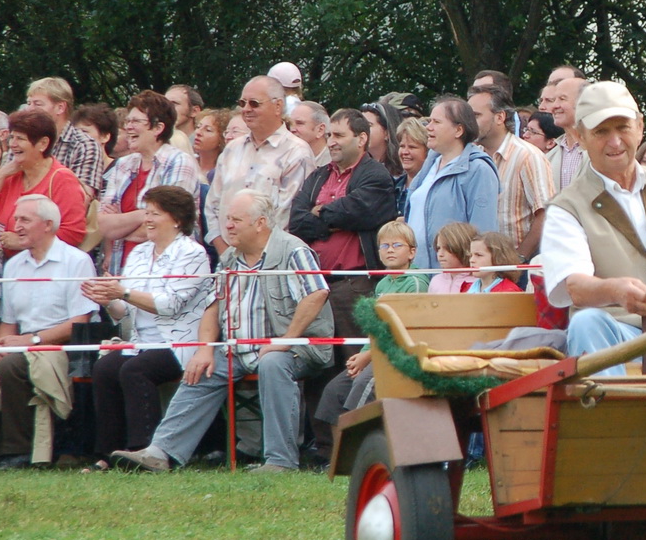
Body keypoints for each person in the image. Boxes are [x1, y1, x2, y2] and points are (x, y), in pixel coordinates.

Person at [114, 190, 334, 472]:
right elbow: (213, 307)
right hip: (238, 349)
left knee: (273, 363)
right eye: (226, 219)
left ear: (260, 223)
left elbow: (316, 293)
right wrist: (204, 349)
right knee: (201, 367)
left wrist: (286, 339)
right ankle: (160, 452)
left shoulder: (293, 250)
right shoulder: (229, 258)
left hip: (296, 348)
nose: (227, 226)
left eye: (235, 220)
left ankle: (281, 461)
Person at [538, 80, 646, 365]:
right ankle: (611, 408)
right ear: (581, 137)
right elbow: (575, 287)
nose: (615, 142)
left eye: (622, 127)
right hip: (624, 334)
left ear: (640, 127)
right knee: (586, 323)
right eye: (601, 131)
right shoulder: (566, 208)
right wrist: (615, 291)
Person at [80, 185, 213, 471]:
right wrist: (105, 298)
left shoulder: (193, 253)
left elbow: (170, 304)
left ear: (177, 219)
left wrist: (121, 293)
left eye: (154, 213)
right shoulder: (139, 254)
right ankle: (106, 454)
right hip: (141, 341)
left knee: (135, 369)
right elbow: (123, 311)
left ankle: (144, 451)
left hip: (179, 344)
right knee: (104, 369)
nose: (147, 219)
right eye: (146, 212)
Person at [0, 195, 95, 468]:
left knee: (14, 363)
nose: (17, 225)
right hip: (24, 342)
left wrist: (29, 341)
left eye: (25, 219)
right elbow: (9, 321)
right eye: (16, 219)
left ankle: (21, 451)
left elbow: (79, 322)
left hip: (59, 347)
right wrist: (1, 344)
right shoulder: (14, 266)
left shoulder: (76, 261)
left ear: (48, 225)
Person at [310, 221, 428, 453]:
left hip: (398, 357)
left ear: (412, 252)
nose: (390, 250)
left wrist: (368, 358)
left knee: (361, 392)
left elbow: (403, 331)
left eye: (396, 245)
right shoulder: (383, 283)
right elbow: (376, 328)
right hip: (375, 354)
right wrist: (362, 356)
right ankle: (337, 456)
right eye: (384, 246)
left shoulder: (415, 282)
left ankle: (363, 455)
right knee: (334, 391)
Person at [288, 109, 397, 338]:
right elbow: (296, 222)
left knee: (351, 359)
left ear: (361, 139)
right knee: (320, 362)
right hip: (315, 287)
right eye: (329, 136)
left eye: (338, 135)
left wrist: (318, 213)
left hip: (354, 286)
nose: (331, 142)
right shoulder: (318, 176)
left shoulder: (376, 175)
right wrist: (331, 221)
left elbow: (355, 211)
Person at [204, 75, 317, 253]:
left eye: (254, 103)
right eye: (242, 103)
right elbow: (212, 205)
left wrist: (257, 255)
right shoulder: (232, 149)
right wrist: (224, 251)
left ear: (278, 106)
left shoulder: (296, 152)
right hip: (228, 260)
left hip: (273, 261)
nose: (246, 109)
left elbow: (287, 216)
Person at [97, 91, 201, 276]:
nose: (128, 127)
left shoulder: (179, 162)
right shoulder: (122, 165)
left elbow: (168, 225)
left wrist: (120, 227)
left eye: (136, 122)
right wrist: (145, 216)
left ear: (158, 128)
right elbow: (104, 225)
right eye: (127, 122)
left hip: (163, 272)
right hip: (121, 271)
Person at [0, 109, 89, 254]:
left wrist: (24, 242)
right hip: (11, 267)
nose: (13, 144)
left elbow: (73, 234)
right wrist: (1, 174)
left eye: (20, 139)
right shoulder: (11, 176)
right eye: (12, 137)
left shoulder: (62, 179)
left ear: (43, 144)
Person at [469, 84, 554, 259]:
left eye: (476, 115)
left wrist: (519, 259)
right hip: (480, 266)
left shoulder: (528, 156)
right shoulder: (473, 157)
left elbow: (546, 214)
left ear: (499, 117)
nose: (469, 122)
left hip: (515, 268)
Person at [406, 97, 499, 257]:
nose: (428, 127)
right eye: (429, 121)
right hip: (418, 273)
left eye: (436, 122)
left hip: (455, 276)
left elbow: (484, 232)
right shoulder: (430, 166)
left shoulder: (479, 170)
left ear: (459, 130)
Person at [24, 77, 106, 197]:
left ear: (60, 108)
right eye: (28, 103)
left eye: (37, 104)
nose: (29, 110)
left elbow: (81, 199)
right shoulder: (20, 141)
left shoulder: (85, 145)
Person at [544, 76, 588, 189]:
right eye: (554, 100)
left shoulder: (601, 151)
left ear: (583, 103)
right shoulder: (548, 157)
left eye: (562, 99)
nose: (554, 106)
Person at [426, 221, 478, 293]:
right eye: (438, 248)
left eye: (447, 248)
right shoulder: (436, 281)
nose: (440, 254)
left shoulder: (478, 282)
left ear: (463, 248)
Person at [394, 115, 431, 218]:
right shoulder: (392, 187)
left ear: (428, 152)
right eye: (402, 146)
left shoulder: (432, 188)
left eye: (412, 147)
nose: (405, 152)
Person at [289, 101, 331, 169]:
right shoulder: (286, 159)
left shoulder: (335, 164)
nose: (292, 129)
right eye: (290, 123)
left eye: (299, 123)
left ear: (320, 130)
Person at [164, 85, 203, 151]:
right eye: (164, 104)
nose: (166, 109)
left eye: (174, 104)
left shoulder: (204, 146)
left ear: (194, 111)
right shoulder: (157, 143)